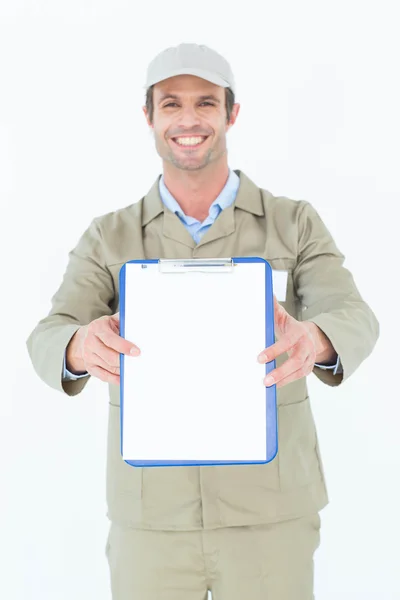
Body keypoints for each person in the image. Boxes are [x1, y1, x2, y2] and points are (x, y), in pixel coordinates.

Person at [26, 43, 379, 600]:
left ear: (230, 114)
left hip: (272, 512)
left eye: (205, 103)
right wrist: (77, 346)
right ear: (149, 117)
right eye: (170, 104)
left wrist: (316, 338)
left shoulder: (294, 222)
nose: (188, 119)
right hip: (152, 518)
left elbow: (353, 314)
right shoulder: (109, 236)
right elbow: (49, 333)